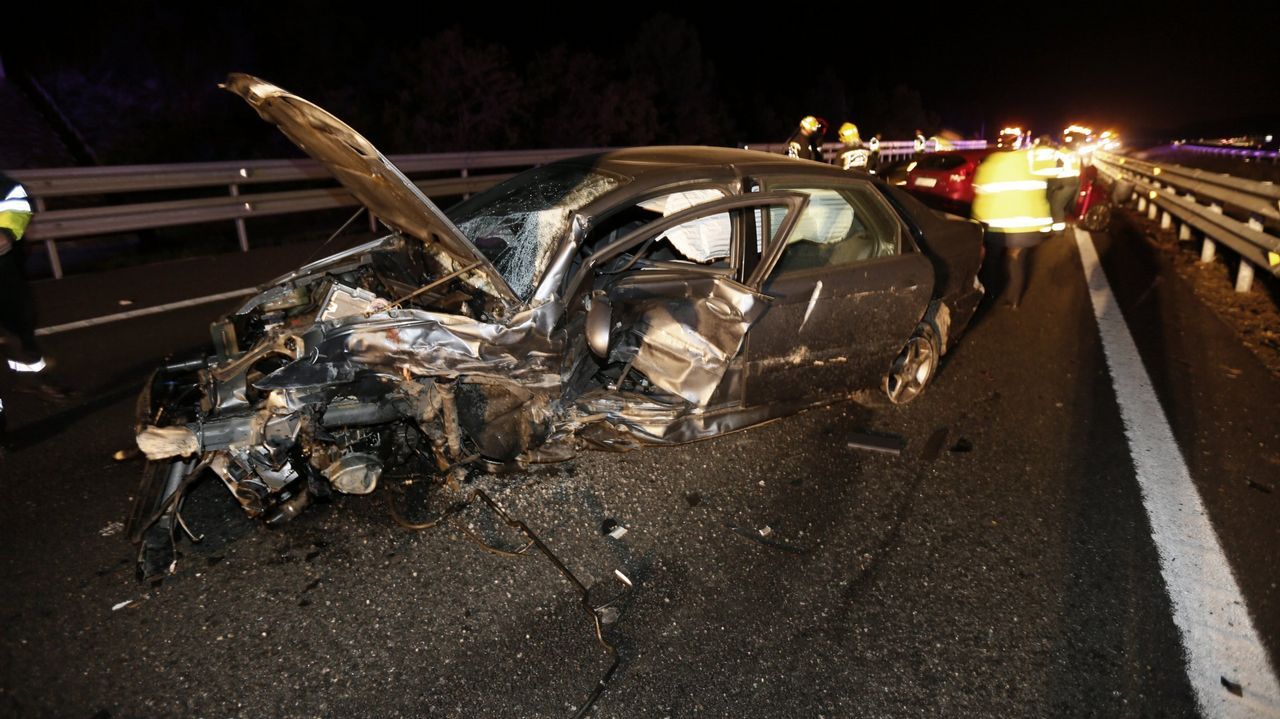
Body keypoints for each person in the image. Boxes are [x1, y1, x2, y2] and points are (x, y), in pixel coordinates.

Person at [1, 174, 71, 443]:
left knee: (21, 321)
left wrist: (6, 232)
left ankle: (32, 376)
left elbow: (15, 201)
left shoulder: (3, 185)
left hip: (3, 266)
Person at [970, 146, 1054, 308]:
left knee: (991, 262)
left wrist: (976, 222)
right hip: (1026, 226)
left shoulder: (992, 163)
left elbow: (979, 192)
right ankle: (1013, 300)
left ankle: (988, 296)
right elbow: (1042, 194)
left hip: (997, 226)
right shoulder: (1032, 163)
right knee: (1016, 261)